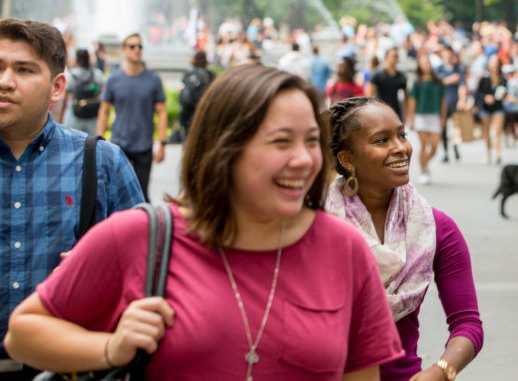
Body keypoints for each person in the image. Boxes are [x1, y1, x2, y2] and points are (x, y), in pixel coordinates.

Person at [5, 65, 404, 380]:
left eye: (312, 141)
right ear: (224, 148)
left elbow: (361, 375)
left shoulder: (344, 248)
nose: (303, 159)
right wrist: (111, 347)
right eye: (281, 141)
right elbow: (23, 333)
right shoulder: (141, 236)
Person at [0, 19, 143, 381]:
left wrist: (100, 273)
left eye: (24, 69)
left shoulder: (102, 162)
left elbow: (147, 276)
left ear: (57, 87)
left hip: (67, 369)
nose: (5, 81)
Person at [326, 97, 483, 381]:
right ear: (347, 159)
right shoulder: (317, 226)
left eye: (401, 135)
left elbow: (468, 323)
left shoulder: (436, 228)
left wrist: (441, 371)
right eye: (381, 140)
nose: (400, 148)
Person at [96, 33, 169, 202]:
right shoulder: (114, 79)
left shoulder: (153, 79)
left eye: (140, 46)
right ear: (124, 50)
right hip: (120, 144)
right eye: (132, 46)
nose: (137, 50)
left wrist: (163, 143)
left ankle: (144, 227)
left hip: (144, 144)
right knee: (116, 194)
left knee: (142, 195)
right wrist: (100, 140)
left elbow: (162, 111)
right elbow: (104, 110)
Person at [406, 54, 446, 185]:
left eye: (427, 63)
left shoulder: (438, 81)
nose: (426, 65)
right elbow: (412, 101)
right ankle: (424, 171)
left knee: (434, 146)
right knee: (424, 145)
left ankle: (426, 163)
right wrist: (410, 119)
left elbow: (443, 100)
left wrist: (443, 118)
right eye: (423, 63)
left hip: (434, 116)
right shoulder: (417, 82)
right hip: (420, 116)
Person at [57, 47, 105, 134]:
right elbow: (103, 96)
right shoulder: (98, 74)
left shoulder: (73, 75)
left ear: (77, 59)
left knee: (73, 143)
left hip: (76, 116)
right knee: (91, 144)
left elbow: (64, 101)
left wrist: (59, 120)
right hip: (93, 116)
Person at [473, 54, 506, 165]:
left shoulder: (502, 78)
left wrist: (501, 96)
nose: (494, 65)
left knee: (497, 131)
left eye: (496, 62)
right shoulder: (484, 78)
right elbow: (478, 93)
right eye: (492, 62)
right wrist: (485, 98)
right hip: (485, 108)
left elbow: (504, 92)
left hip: (497, 106)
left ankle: (497, 153)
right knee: (486, 132)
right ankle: (488, 153)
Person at [178, 50, 215, 138]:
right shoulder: (210, 75)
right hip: (203, 110)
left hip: (187, 110)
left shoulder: (187, 73)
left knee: (187, 137)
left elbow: (181, 90)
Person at [438, 46, 464, 163]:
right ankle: (445, 152)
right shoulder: (438, 69)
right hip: (442, 103)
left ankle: (456, 148)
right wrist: (449, 80)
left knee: (456, 128)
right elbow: (437, 84)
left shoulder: (459, 69)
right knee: (443, 128)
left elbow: (462, 85)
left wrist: (462, 100)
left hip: (454, 101)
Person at [367, 47, 408, 122]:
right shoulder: (378, 74)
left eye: (397, 56)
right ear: (387, 57)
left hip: (396, 112)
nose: (395, 58)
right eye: (393, 56)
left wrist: (405, 114)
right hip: (381, 111)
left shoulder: (401, 76)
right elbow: (370, 94)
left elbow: (405, 97)